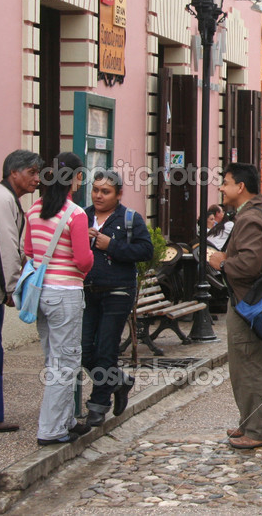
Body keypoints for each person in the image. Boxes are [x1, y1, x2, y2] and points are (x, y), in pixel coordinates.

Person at [208, 162, 262, 450]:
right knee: (247, 364)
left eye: (225, 183)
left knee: (249, 364)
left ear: (240, 187)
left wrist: (222, 261)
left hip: (248, 301)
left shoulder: (250, 218)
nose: (221, 188)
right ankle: (249, 421)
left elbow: (250, 264)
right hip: (261, 301)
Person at [24, 152, 95, 446]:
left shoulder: (34, 210)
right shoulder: (75, 215)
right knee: (65, 362)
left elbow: (29, 252)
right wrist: (90, 250)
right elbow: (83, 261)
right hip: (66, 294)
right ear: (75, 178)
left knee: (53, 358)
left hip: (41, 294)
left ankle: (66, 420)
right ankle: (51, 429)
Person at [81, 170, 154, 427]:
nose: (99, 195)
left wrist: (110, 245)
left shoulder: (129, 218)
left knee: (106, 350)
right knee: (83, 349)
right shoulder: (82, 216)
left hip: (118, 292)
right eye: (96, 190)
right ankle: (118, 381)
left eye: (106, 191)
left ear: (118, 194)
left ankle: (98, 405)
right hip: (87, 291)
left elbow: (146, 250)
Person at [0, 150, 41, 433]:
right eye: (31, 172)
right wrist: (12, 287)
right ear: (13, 172)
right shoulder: (1, 199)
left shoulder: (4, 199)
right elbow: (3, 246)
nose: (36, 179)